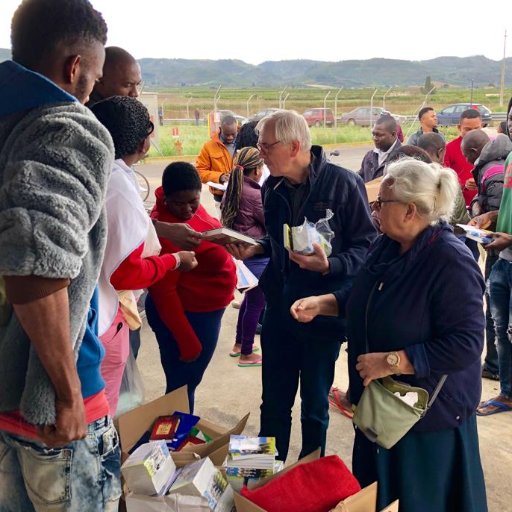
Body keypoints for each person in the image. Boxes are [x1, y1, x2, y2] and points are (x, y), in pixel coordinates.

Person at [291, 158, 487, 511]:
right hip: (379, 407)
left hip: (425, 418)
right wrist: (324, 303)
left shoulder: (450, 260)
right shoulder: (386, 245)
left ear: (410, 210)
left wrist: (394, 361)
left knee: (419, 500)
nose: (375, 210)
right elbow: (366, 295)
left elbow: (468, 343)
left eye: (381, 204)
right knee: (375, 496)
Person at [0, 1, 122, 510]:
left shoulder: (9, 122)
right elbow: (34, 263)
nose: (91, 92)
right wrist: (68, 394)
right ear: (74, 67)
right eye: (93, 80)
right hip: (50, 407)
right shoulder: (67, 128)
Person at [227, 110, 376, 461]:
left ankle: (309, 479)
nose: (260, 152)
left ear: (294, 146)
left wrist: (332, 264)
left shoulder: (343, 184)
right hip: (279, 310)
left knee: (314, 409)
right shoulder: (271, 187)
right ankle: (265, 477)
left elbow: (367, 245)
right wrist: (258, 246)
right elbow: (277, 238)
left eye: (266, 145)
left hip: (322, 314)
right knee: (274, 403)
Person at [91, 96, 198, 415]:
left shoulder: (97, 170)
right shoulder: (119, 185)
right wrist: (175, 260)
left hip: (90, 313)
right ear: (143, 141)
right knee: (102, 413)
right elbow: (126, 273)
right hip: (105, 316)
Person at [145, 162, 236, 412]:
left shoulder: (184, 209)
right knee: (182, 389)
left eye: (193, 201)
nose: (187, 209)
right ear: (167, 198)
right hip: (189, 315)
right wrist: (186, 340)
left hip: (204, 308)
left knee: (185, 387)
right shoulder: (168, 231)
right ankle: (171, 444)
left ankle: (174, 441)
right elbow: (163, 292)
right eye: (179, 203)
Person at [221, 147, 268, 366]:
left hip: (240, 253)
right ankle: (247, 354)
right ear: (257, 170)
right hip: (254, 253)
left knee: (250, 299)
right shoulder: (254, 194)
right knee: (257, 303)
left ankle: (240, 344)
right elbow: (268, 223)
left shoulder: (234, 186)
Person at [443, 109, 483, 207]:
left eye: (476, 128)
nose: (472, 133)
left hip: (485, 204)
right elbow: (444, 179)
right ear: (459, 128)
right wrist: (463, 184)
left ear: (482, 126)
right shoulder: (449, 148)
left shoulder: (489, 146)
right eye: (468, 129)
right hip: (461, 206)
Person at [196, 114, 238, 203]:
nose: (230, 137)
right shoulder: (209, 147)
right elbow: (200, 172)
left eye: (233, 134)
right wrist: (220, 177)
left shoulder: (244, 143)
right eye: (227, 134)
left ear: (237, 128)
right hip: (220, 198)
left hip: (242, 196)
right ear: (220, 128)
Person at [358, 115, 402, 183]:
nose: (375, 138)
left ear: (393, 134)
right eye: (373, 134)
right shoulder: (369, 156)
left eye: (379, 135)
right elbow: (360, 178)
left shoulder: (403, 158)